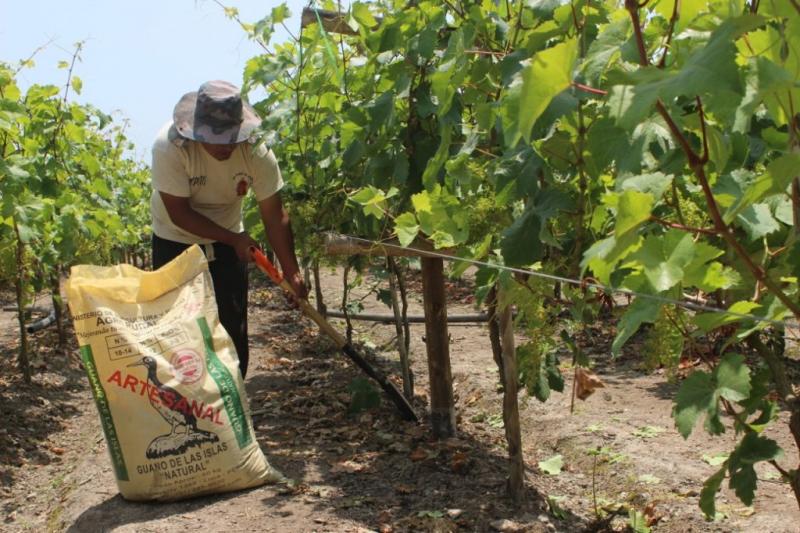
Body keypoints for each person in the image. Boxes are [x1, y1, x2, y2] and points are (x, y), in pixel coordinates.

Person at [150, 80, 307, 378]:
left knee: (231, 329)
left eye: (229, 138)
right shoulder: (170, 146)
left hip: (229, 238)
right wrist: (233, 238)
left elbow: (274, 215)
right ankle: (188, 411)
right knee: (179, 331)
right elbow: (179, 213)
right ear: (195, 131)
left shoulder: (257, 152)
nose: (224, 146)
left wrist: (293, 273)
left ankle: (231, 406)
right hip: (175, 239)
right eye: (214, 138)